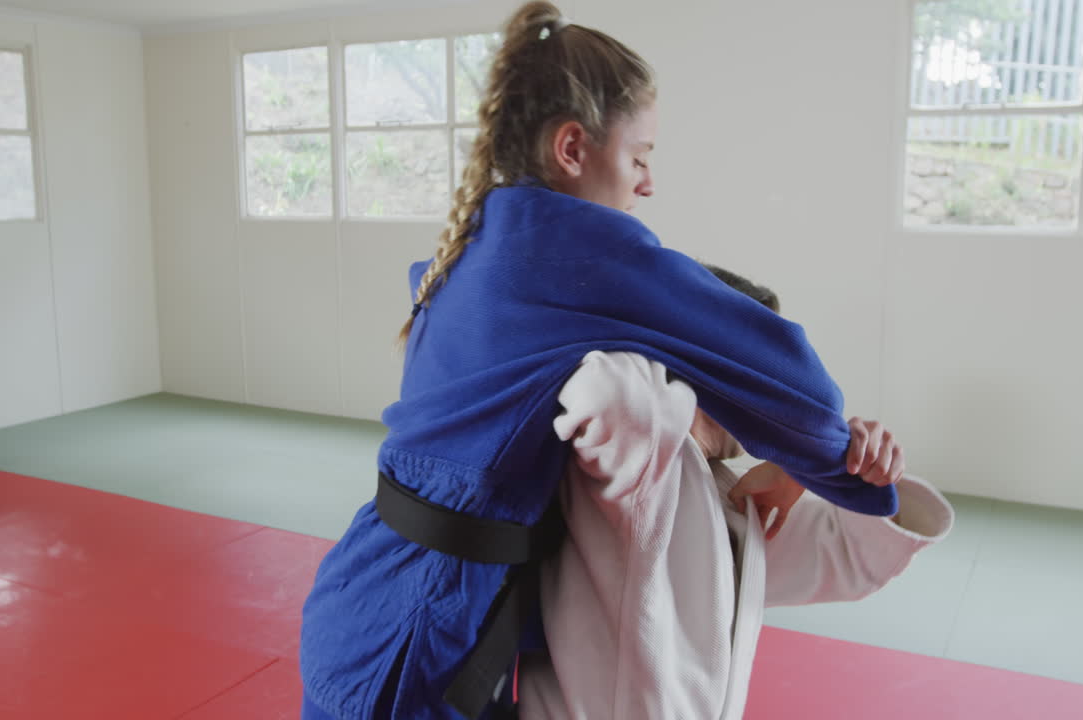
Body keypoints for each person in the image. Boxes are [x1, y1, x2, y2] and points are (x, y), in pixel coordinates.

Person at [301, 4, 899, 718]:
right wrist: (829, 460)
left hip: (372, 591)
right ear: (573, 148)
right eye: (640, 156)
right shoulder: (577, 247)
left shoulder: (479, 243)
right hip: (419, 632)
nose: (647, 184)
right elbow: (789, 376)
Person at [515, 269, 954, 719]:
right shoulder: (635, 462)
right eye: (761, 368)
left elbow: (850, 557)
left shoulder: (730, 491)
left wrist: (831, 460)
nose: (774, 390)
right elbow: (612, 388)